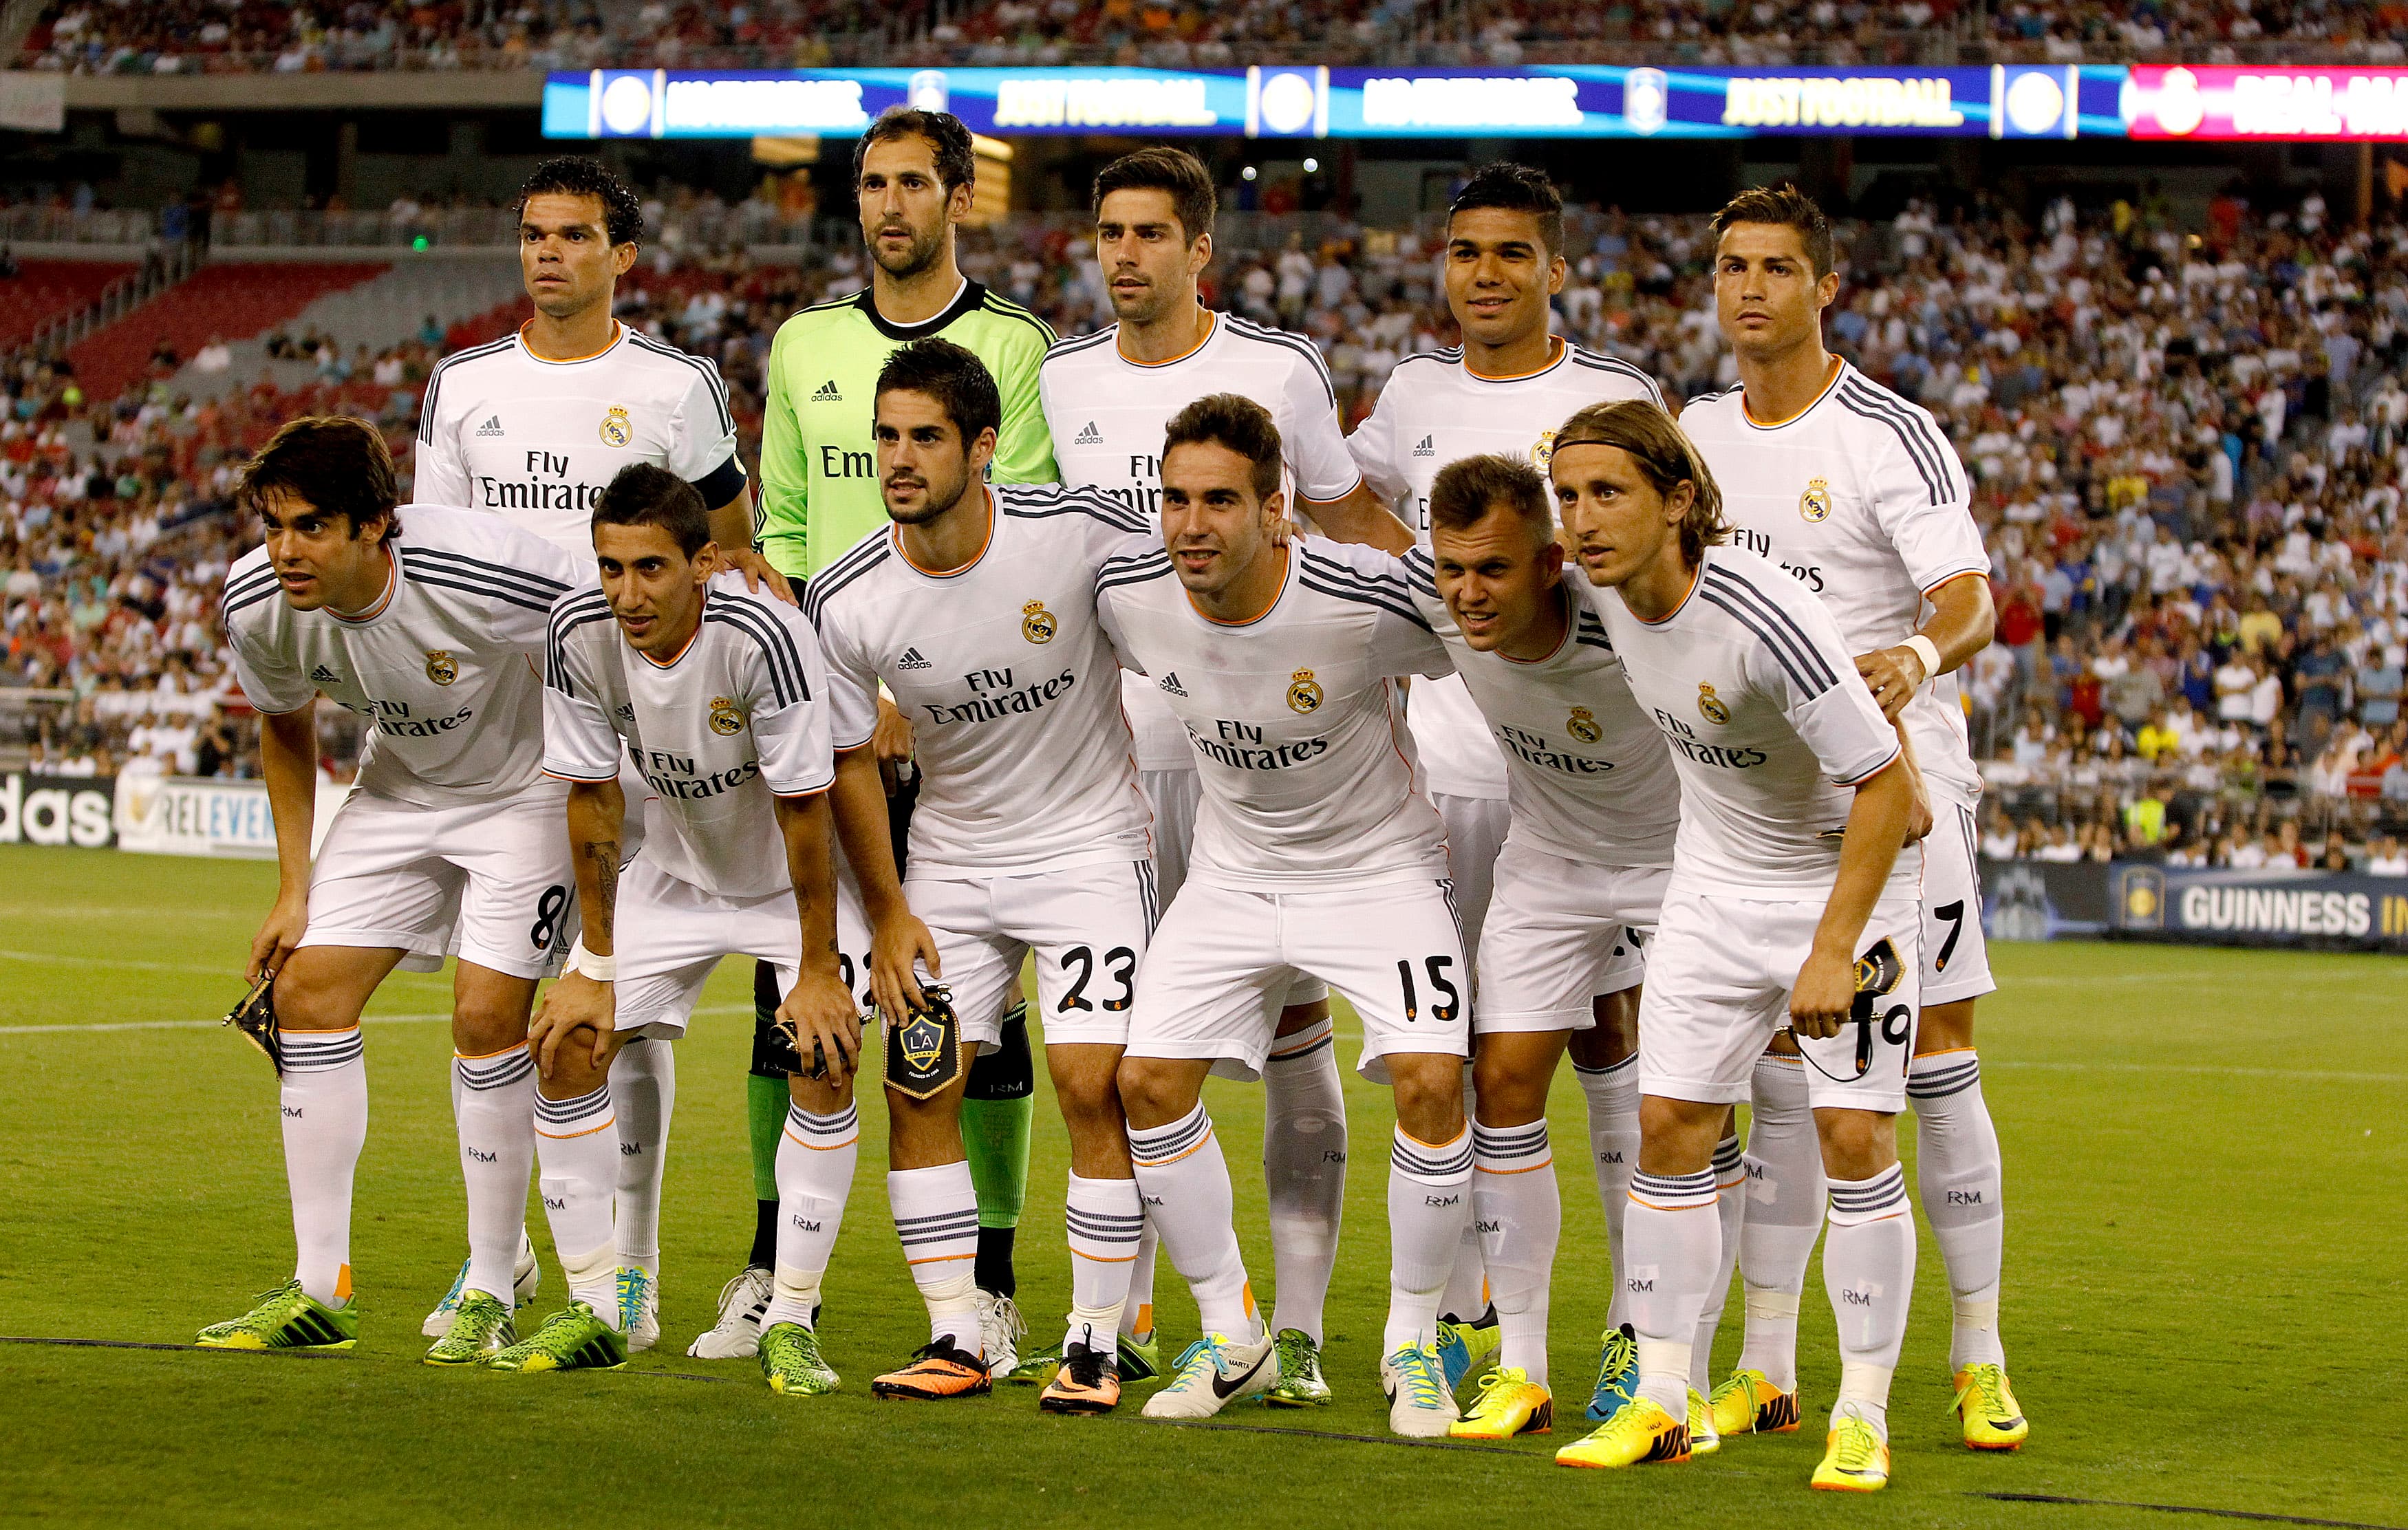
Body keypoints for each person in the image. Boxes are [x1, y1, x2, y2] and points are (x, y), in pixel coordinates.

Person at [1036, 146, 1387, 1401]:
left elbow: (1345, 522)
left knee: (1296, 1034)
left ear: (1201, 251)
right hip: (1113, 759)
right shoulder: (1057, 376)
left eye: (1149, 234)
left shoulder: (1276, 371)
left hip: (1259, 759)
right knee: (1131, 1048)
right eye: (1108, 233)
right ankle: (1133, 1311)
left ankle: (1292, 1331)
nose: (1124, 254)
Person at [1677, 184, 2023, 1455]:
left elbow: (1971, 595)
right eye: (1731, 267)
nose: (1750, 288)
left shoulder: (1889, 432)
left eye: (1776, 267)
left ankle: (1977, 1353)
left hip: (1900, 787)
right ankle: (1767, 1366)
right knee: (1778, 1077)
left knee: (1927, 1065)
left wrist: (1918, 661)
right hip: (1753, 799)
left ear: (1828, 288)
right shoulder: (1693, 431)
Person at [721, 106, 1062, 1363]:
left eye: (915, 183)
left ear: (959, 198)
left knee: (978, 1012)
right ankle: (769, 1270)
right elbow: (787, 536)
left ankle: (995, 1274)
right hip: (829, 710)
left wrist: (919, 692)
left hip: (963, 730)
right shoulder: (804, 341)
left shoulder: (1014, 346)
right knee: (790, 985)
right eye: (872, 185)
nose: (890, 206)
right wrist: (830, 691)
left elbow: (1015, 518)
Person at [411, 155, 767, 1354]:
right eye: (531, 234)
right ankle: (493, 1266)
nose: (546, 253)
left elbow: (728, 549)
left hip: (649, 745)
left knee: (626, 1011)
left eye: (572, 236)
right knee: (500, 1013)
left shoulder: (676, 385)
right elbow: (437, 566)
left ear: (624, 257)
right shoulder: (463, 385)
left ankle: (633, 1277)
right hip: (512, 750)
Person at [1551, 398, 1925, 1493]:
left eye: (1607, 492)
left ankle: (1861, 1411)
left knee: (1853, 1138)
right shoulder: (1603, 589)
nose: (1581, 519)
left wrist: (1832, 948)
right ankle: (1665, 1398)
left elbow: (1887, 786)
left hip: (1839, 887)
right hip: (1714, 883)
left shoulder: (1763, 614)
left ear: (1680, 501)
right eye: (1568, 496)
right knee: (1670, 1126)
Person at [1342, 164, 1666, 1399]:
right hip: (1456, 763)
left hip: (1598, 775)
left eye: (1511, 255)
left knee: (1611, 1035)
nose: (1484, 275)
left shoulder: (1615, 396)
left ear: (1556, 268)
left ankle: (1639, 1317)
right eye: (1466, 253)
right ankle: (1479, 1310)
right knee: (1476, 1050)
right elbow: (1345, 505)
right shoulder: (1416, 393)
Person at [1094, 394, 1473, 1439]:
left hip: (1377, 873)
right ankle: (1235, 1332)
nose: (1191, 525)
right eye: (1174, 500)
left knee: (1436, 1079)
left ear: (1278, 511)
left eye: (1220, 501)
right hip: (1232, 876)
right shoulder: (1129, 593)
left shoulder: (1367, 598)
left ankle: (1410, 1344)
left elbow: (1489, 632)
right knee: (1146, 1083)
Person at [804, 339, 1151, 1414]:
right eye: (886, 437)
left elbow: (1191, 586)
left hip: (1092, 847)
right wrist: (891, 906)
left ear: (984, 446)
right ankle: (961, 1331)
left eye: (925, 437)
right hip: (950, 862)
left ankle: (1097, 1339)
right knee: (920, 1080)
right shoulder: (849, 596)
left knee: (1095, 1083)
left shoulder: (1078, 534)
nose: (898, 460)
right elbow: (848, 758)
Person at [199, 416, 581, 1365]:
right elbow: (283, 724)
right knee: (304, 993)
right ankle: (322, 1288)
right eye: (274, 524)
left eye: (312, 526)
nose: (286, 549)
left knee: (487, 1017)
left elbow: (609, 630)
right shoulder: (256, 599)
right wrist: (295, 888)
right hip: (398, 790)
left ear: (378, 524)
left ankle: (494, 1279)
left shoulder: (490, 571)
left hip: (525, 794)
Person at [1320, 451, 1680, 1439]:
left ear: (1552, 563)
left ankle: (1649, 1343)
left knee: (1687, 1110)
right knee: (1504, 1082)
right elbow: (1305, 586)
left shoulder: (1637, 615)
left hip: (1680, 860)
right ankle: (1521, 1365)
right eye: (1452, 568)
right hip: (1551, 857)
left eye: (1495, 570)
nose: (1470, 594)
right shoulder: (1432, 602)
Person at [526, 464, 860, 1387]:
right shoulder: (576, 632)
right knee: (565, 1045)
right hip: (673, 876)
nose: (627, 594)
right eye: (610, 567)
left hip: (788, 890)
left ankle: (790, 1318)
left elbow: (807, 809)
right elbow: (594, 800)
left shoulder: (765, 634)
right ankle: (601, 1306)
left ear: (703, 563)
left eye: (651, 570)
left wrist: (818, 966)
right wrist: (593, 957)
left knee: (822, 1057)